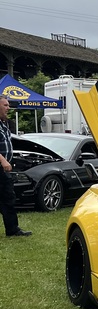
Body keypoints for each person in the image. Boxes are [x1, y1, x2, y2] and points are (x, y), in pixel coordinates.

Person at [0, 95, 32, 237]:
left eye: (8, 105)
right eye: (5, 105)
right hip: (1, 167)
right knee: (7, 198)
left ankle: (12, 230)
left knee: (8, 199)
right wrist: (3, 160)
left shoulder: (4, 123)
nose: (8, 108)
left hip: (3, 171)